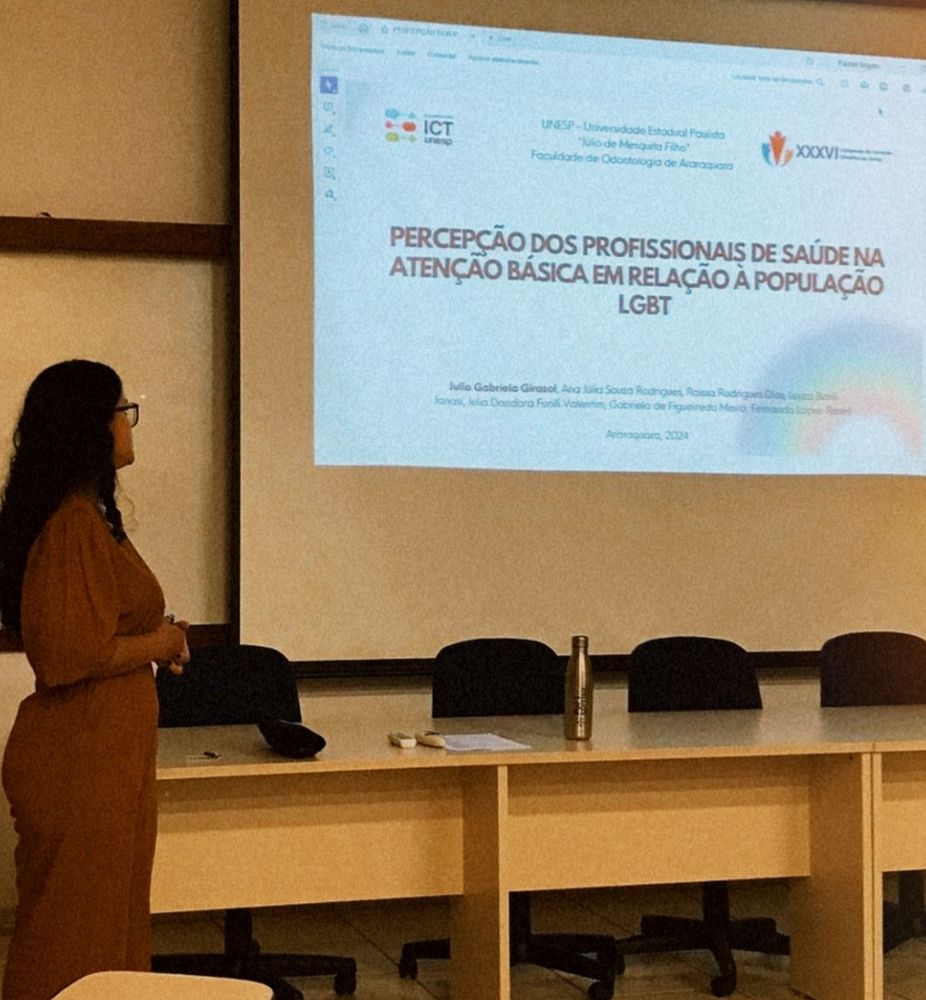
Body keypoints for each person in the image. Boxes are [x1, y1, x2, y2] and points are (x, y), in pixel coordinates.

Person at [0, 360, 190, 1000]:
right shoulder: (73, 524)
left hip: (107, 752)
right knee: (73, 943)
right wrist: (158, 643)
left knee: (110, 930)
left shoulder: (91, 517)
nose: (128, 423)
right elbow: (65, 658)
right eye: (121, 410)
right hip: (81, 758)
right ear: (90, 426)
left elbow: (94, 632)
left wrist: (158, 637)